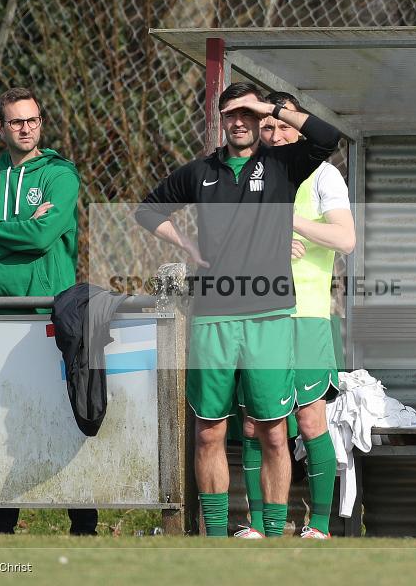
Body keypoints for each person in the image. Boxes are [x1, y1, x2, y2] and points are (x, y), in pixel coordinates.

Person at [136, 82, 341, 537]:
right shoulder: (200, 172)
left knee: (271, 431)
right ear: (221, 120)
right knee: (208, 430)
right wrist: (186, 242)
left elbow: (328, 138)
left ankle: (271, 535)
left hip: (269, 318)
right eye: (232, 113)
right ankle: (213, 537)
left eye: (248, 113)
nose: (241, 121)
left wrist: (270, 107)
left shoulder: (282, 164)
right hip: (212, 317)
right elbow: (148, 211)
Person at [0, 87, 96, 535]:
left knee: (60, 413)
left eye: (32, 119)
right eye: (16, 121)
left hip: (46, 313)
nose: (26, 128)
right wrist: (13, 229)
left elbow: (42, 238)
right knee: (1, 417)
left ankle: (83, 521)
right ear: (1, 127)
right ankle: (1, 522)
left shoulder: (59, 174)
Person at [233, 92, 354, 540]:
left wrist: (291, 223)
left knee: (309, 421)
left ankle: (319, 525)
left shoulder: (323, 175)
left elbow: (346, 239)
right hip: (257, 315)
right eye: (269, 128)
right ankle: (264, 526)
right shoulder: (247, 176)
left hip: (306, 316)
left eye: (285, 126)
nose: (277, 134)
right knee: (256, 422)